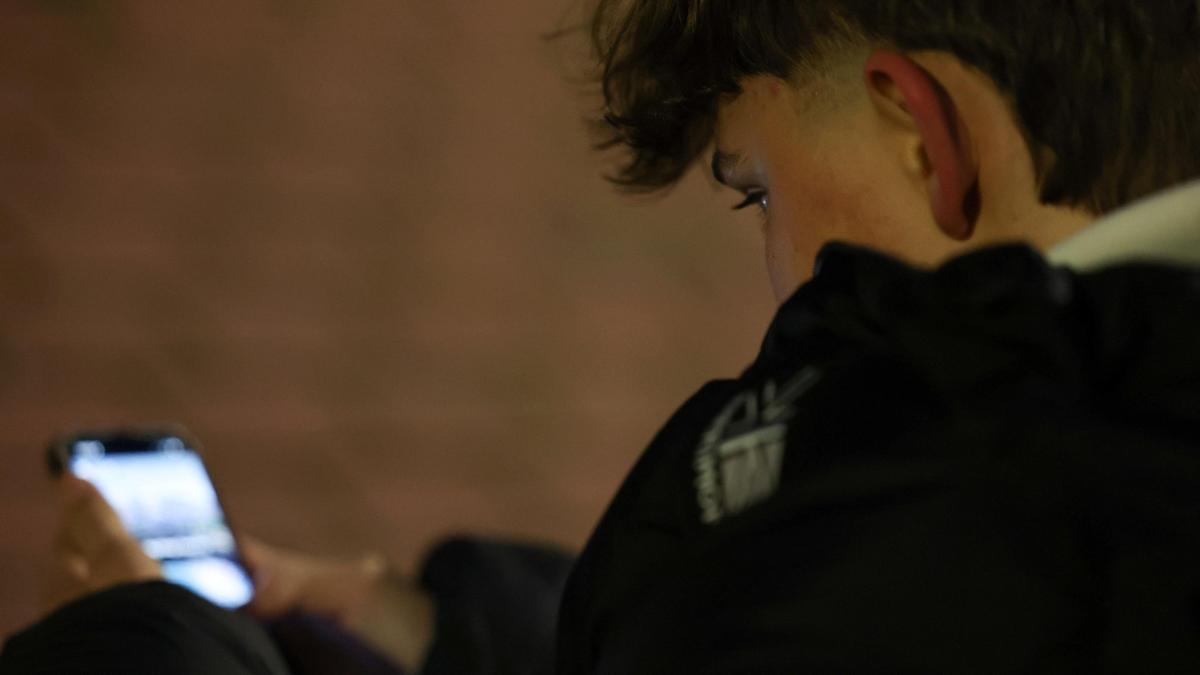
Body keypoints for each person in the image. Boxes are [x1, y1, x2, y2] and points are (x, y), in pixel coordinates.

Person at [4, 0, 1200, 672]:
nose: (777, 271)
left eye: (758, 192)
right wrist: (439, 634)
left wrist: (144, 645)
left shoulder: (958, 495)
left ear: (918, 135)